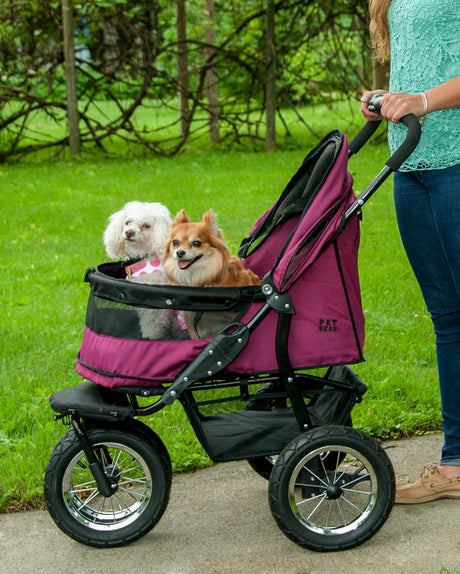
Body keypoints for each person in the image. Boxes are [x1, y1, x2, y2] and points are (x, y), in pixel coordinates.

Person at [360, 0, 460, 504]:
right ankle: (456, 464)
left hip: (457, 164)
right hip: (413, 164)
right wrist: (388, 100)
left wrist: (420, 100)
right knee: (448, 318)